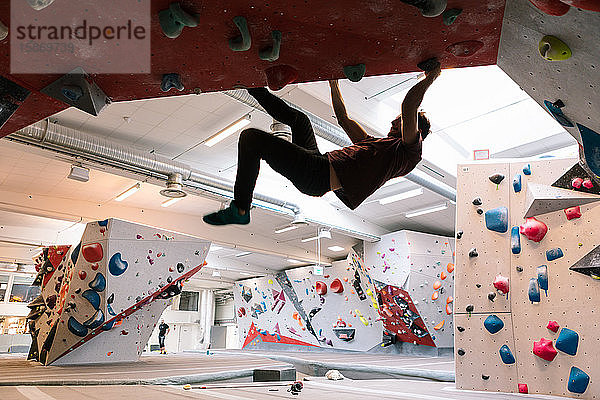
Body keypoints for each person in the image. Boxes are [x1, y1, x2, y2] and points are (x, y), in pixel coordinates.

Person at [203, 60, 441, 226]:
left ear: (413, 129)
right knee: (301, 121)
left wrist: (431, 77)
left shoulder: (408, 152)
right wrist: (333, 83)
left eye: (398, 121)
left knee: (251, 138)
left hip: (316, 176)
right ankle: (253, 88)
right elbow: (343, 118)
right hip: (318, 162)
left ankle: (241, 209)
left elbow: (409, 105)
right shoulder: (376, 146)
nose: (393, 120)